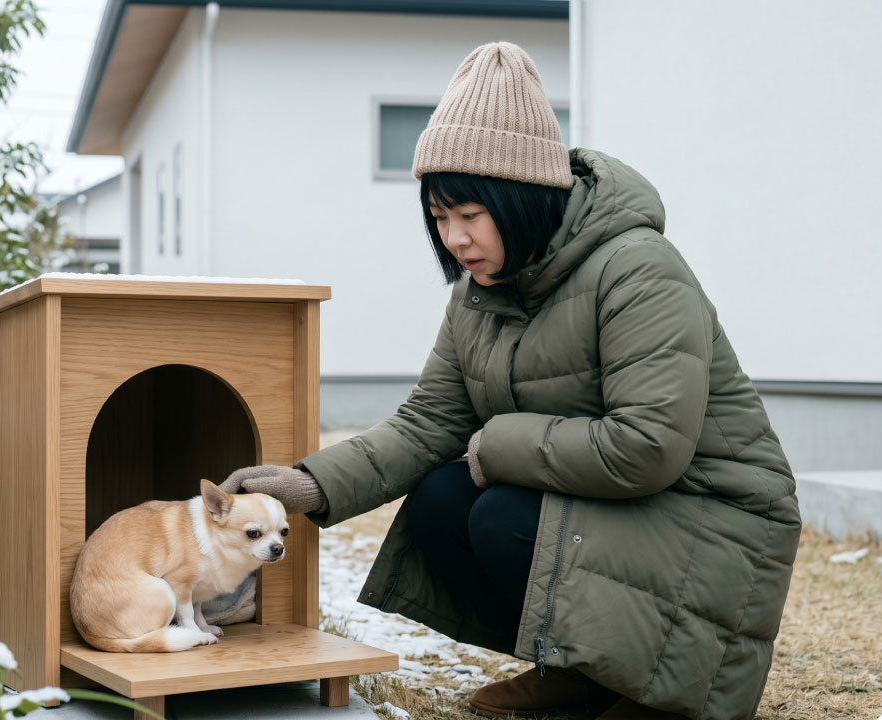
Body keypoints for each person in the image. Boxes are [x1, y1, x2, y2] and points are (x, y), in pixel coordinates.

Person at [221, 41, 800, 720]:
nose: (455, 238)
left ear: (523, 198)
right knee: (441, 499)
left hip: (713, 519)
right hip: (632, 518)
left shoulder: (637, 267)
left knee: (499, 512)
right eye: (440, 218)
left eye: (471, 215)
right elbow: (429, 421)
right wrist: (307, 483)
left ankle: (658, 688)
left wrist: (497, 446)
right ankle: (582, 675)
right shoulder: (480, 294)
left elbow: (648, 445)